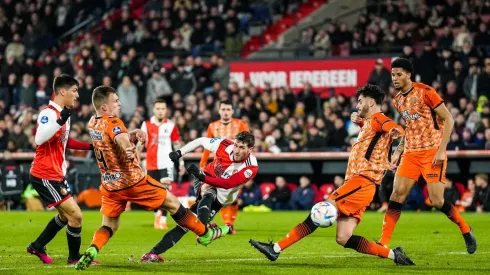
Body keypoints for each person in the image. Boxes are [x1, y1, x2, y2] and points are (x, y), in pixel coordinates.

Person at [250, 84, 415, 265]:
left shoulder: (378, 118)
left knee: (321, 209)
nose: (357, 105)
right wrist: (360, 122)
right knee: (343, 237)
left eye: (360, 102)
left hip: (362, 181)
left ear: (371, 101)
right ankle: (394, 255)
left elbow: (396, 129)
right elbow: (374, 136)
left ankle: (275, 249)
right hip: (362, 185)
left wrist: (395, 137)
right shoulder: (369, 122)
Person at [75, 86, 228, 270]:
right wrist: (129, 147)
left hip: (110, 185)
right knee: (173, 204)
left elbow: (112, 138)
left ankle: (92, 249)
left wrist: (132, 135)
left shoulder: (93, 122)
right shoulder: (114, 121)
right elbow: (119, 137)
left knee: (109, 226)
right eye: (115, 100)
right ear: (105, 107)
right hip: (133, 181)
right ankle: (204, 233)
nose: (119, 103)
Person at [378, 58, 477, 254]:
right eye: (392, 74)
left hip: (432, 151)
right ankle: (383, 242)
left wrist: (441, 150)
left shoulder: (425, 92)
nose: (395, 78)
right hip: (411, 153)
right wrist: (398, 150)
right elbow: (409, 126)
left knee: (436, 200)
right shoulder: (397, 100)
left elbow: (448, 118)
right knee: (396, 193)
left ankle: (466, 229)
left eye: (399, 74)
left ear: (408, 74)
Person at [141, 131, 258, 262]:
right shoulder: (225, 145)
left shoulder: (251, 166)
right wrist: (179, 152)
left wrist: (202, 177)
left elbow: (227, 183)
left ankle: (206, 231)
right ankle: (154, 253)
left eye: (242, 148)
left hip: (222, 197)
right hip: (205, 182)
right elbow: (201, 141)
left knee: (186, 224)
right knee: (206, 196)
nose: (236, 150)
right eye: (236, 145)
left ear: (250, 149)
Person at [27, 75, 95, 265]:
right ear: (62, 92)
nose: (77, 95)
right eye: (74, 90)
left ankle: (37, 245)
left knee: (65, 216)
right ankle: (74, 259)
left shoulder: (63, 114)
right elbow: (39, 139)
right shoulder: (48, 113)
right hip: (44, 174)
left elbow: (65, 142)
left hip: (56, 174)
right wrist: (59, 121)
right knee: (76, 215)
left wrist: (91, 147)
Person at [200, 100, 249, 234]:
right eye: (223, 109)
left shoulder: (241, 124)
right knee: (214, 194)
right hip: (218, 166)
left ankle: (229, 224)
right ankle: (214, 222)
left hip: (236, 167)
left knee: (232, 197)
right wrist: (202, 164)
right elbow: (207, 147)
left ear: (232, 111)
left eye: (228, 109)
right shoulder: (212, 126)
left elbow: (249, 146)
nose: (226, 112)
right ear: (219, 111)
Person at [139, 98, 185, 230]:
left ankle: (163, 219)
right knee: (153, 193)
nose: (160, 111)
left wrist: (180, 162)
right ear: (154, 110)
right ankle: (157, 215)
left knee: (165, 191)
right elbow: (139, 144)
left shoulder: (171, 125)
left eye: (163, 109)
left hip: (167, 163)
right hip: (151, 164)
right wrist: (135, 158)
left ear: (166, 110)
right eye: (158, 109)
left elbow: (176, 145)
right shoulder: (146, 124)